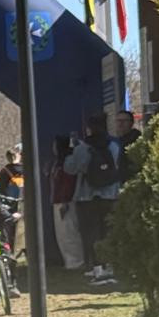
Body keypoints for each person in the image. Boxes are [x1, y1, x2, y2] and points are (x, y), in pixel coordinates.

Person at [64, 113, 123, 281]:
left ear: (89, 128)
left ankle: (97, 268)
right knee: (108, 231)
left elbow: (71, 169)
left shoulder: (83, 147)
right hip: (110, 194)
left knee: (90, 233)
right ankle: (110, 265)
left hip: (86, 196)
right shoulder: (114, 145)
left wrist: (69, 153)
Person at [47, 135, 85, 270]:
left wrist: (65, 202)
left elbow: (68, 184)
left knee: (70, 233)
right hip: (57, 200)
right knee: (62, 234)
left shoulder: (67, 162)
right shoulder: (57, 162)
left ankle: (76, 262)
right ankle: (68, 261)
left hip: (66, 202)